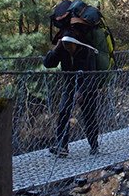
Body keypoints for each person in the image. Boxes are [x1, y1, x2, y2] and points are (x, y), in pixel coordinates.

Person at [43, 29, 101, 157]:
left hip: (87, 89)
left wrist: (81, 91)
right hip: (69, 87)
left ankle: (94, 146)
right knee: (63, 113)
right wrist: (56, 49)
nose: (67, 47)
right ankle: (62, 147)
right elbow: (47, 64)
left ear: (76, 43)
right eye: (65, 44)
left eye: (69, 45)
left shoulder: (87, 51)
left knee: (89, 117)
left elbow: (92, 75)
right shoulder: (62, 49)